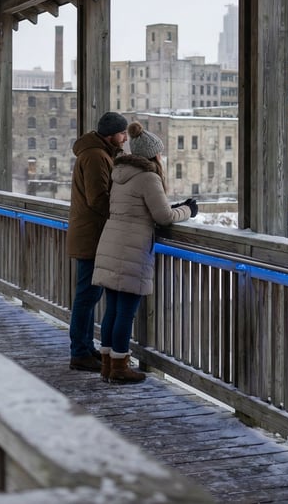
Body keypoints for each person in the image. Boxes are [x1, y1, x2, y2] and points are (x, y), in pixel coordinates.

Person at [92, 122, 197, 384]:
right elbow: (163, 217)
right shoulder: (149, 177)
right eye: (159, 153)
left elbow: (136, 207)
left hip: (111, 243)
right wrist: (188, 211)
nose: (161, 157)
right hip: (132, 250)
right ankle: (119, 367)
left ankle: (107, 366)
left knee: (112, 310)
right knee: (126, 312)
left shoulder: (120, 172)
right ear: (152, 154)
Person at [66, 111, 129, 371]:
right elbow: (98, 198)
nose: (125, 138)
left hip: (91, 233)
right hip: (93, 235)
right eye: (122, 133)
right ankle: (79, 352)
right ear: (112, 134)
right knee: (87, 295)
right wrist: (123, 215)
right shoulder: (95, 156)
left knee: (89, 295)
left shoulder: (99, 152)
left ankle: (84, 348)